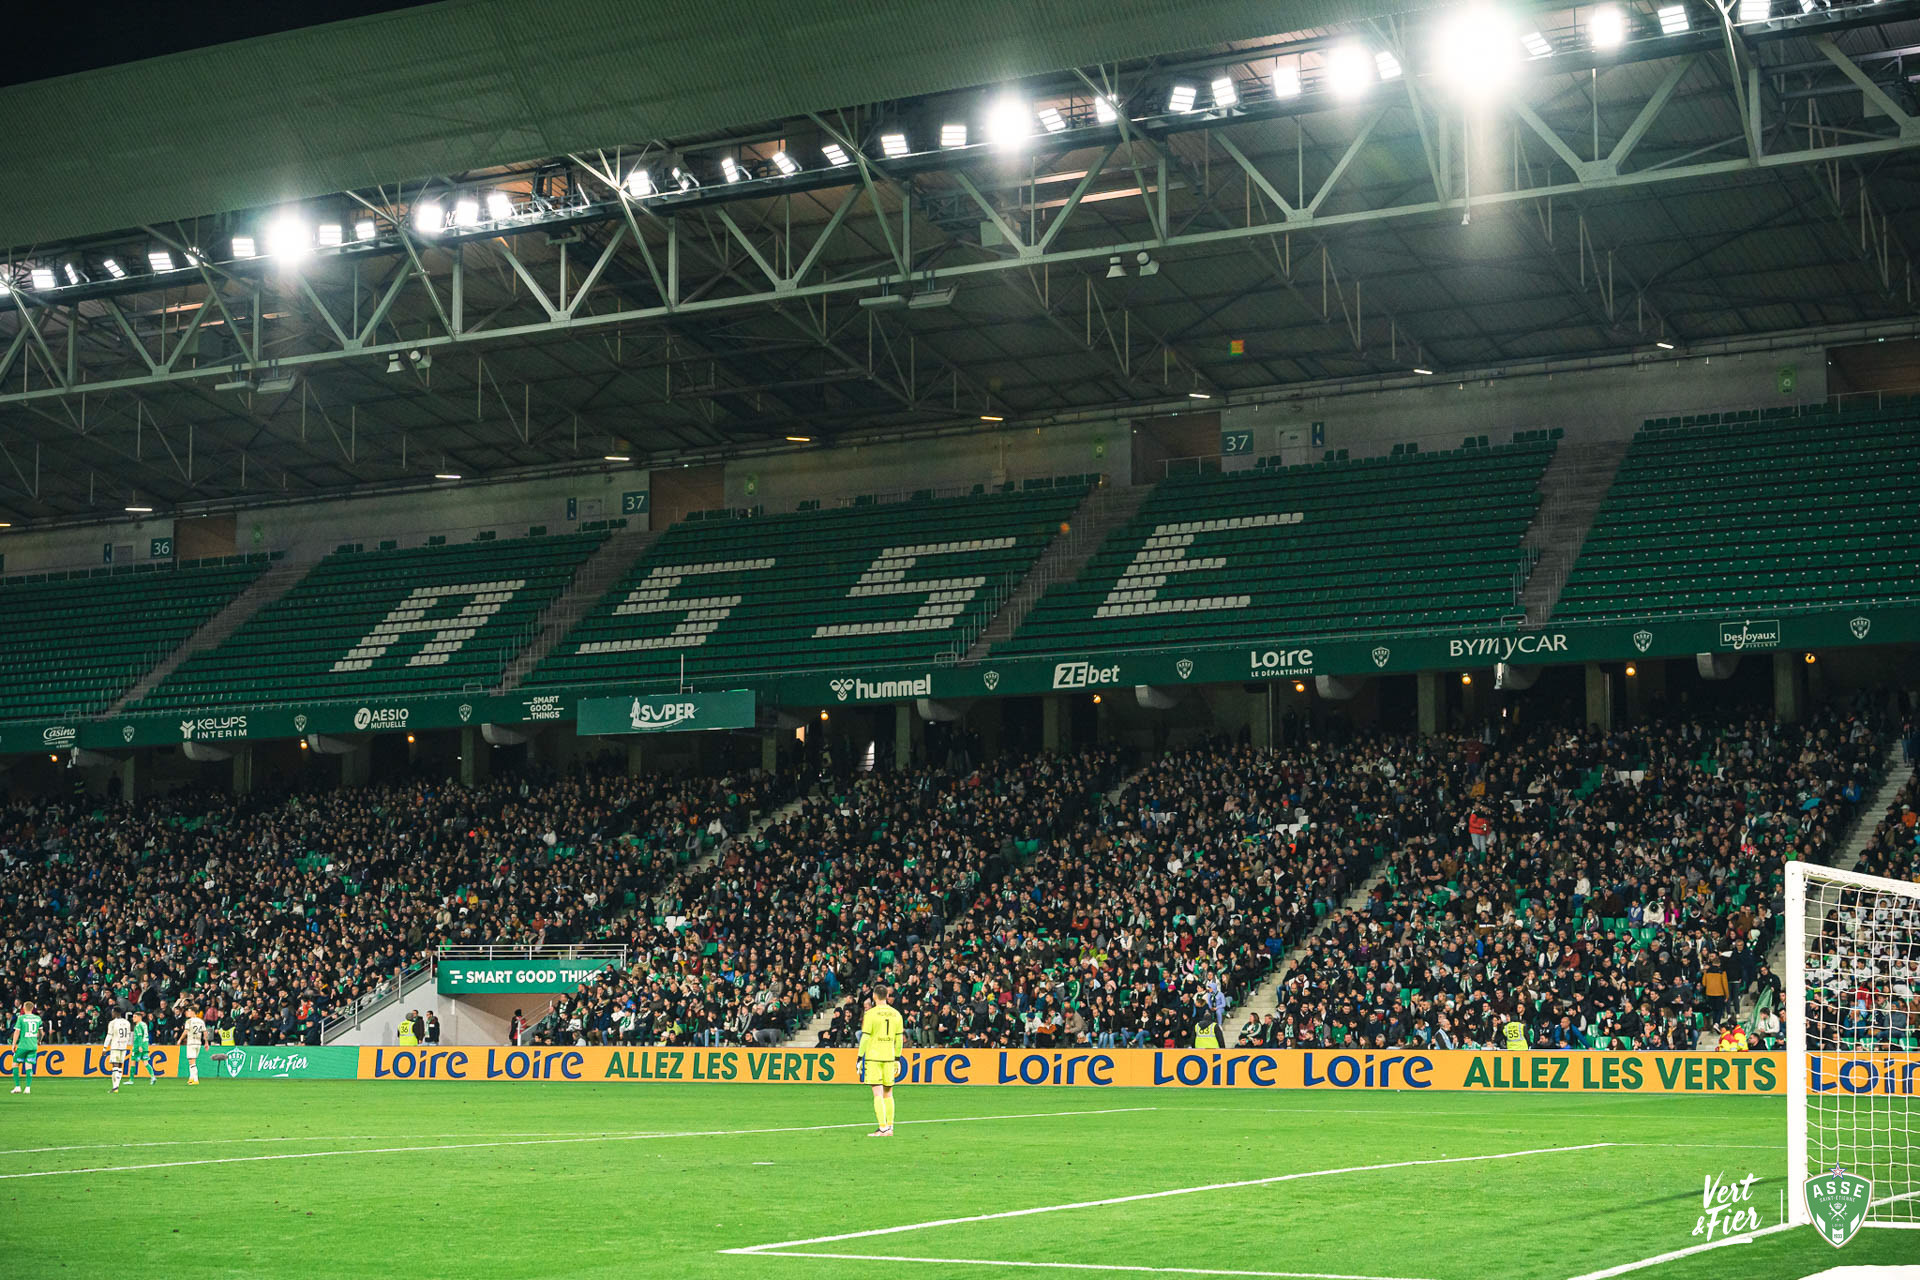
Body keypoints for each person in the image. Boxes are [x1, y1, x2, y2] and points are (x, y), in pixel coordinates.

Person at [858, 985, 904, 1138]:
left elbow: (865, 1037)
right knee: (888, 1093)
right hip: (890, 1057)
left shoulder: (870, 1014)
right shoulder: (896, 1014)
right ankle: (890, 1127)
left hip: (873, 1056)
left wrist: (859, 1057)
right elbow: (899, 1039)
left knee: (877, 1093)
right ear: (887, 995)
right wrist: (897, 1058)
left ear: (874, 996)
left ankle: (882, 1128)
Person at [11, 1001, 41, 1095]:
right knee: (29, 1066)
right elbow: (41, 1032)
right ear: (32, 1008)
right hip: (33, 1046)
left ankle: (17, 1087)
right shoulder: (37, 1018)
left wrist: (13, 1044)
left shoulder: (21, 1018)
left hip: (23, 1046)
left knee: (15, 1064)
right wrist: (39, 1041)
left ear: (23, 1008)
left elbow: (17, 1032)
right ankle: (28, 1088)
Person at [105, 1009, 133, 1094]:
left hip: (115, 1046)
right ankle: (117, 1085)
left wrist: (104, 1048)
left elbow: (109, 1036)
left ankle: (115, 1087)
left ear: (115, 1013)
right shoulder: (127, 1022)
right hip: (123, 1046)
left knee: (115, 1066)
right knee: (120, 1066)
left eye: (113, 1012)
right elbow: (129, 1035)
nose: (112, 1013)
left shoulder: (112, 1023)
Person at [180, 1007, 208, 1085]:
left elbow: (186, 1031)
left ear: (193, 1012)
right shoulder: (201, 1021)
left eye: (189, 1011)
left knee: (192, 1062)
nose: (188, 1012)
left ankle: (196, 1079)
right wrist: (206, 1042)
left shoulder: (189, 1021)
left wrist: (180, 1039)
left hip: (191, 1043)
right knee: (191, 1061)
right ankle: (191, 1078)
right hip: (198, 1043)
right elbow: (205, 1032)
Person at [130, 1011, 156, 1084]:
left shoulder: (138, 1026)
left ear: (139, 1017)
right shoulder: (144, 1024)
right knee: (146, 1062)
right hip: (145, 1046)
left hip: (138, 1046)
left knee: (133, 1062)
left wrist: (139, 1046)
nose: (133, 1018)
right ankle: (152, 1077)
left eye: (135, 1017)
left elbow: (139, 1036)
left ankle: (131, 1080)